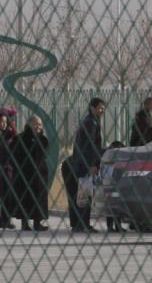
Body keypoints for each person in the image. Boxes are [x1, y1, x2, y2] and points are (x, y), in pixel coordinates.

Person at [64, 97, 106, 232]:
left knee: (79, 194)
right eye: (99, 107)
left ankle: (78, 224)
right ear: (92, 108)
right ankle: (83, 224)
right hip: (83, 164)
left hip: (78, 162)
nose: (102, 110)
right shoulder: (91, 123)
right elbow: (89, 146)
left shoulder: (91, 121)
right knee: (85, 192)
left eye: (103, 108)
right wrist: (92, 164)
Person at [11, 115, 50, 231]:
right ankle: (25, 223)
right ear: (29, 124)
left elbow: (44, 155)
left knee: (39, 198)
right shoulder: (20, 139)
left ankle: (38, 223)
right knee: (25, 198)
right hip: (24, 174)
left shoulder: (43, 140)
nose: (38, 126)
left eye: (40, 124)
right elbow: (14, 155)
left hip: (39, 175)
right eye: (35, 123)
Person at [104, 141, 125, 232]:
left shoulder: (108, 159)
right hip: (112, 184)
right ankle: (114, 226)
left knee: (113, 205)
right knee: (113, 205)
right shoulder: (113, 161)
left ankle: (114, 226)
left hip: (110, 184)